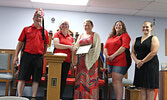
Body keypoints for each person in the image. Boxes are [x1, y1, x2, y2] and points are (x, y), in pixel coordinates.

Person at [13, 8, 49, 100]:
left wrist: (43, 56)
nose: (38, 18)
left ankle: (33, 97)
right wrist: (16, 56)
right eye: (36, 16)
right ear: (33, 18)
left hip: (39, 58)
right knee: (22, 77)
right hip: (27, 56)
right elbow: (20, 43)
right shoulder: (26, 29)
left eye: (40, 17)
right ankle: (19, 97)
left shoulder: (45, 31)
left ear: (42, 19)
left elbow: (45, 45)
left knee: (36, 79)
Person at [131, 21, 159, 100]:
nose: (145, 28)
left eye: (147, 27)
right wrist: (137, 61)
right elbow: (132, 52)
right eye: (143, 27)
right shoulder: (137, 39)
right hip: (139, 65)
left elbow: (153, 52)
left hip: (151, 65)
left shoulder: (154, 38)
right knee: (142, 86)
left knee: (150, 87)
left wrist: (142, 61)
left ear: (151, 28)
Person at [74, 19, 101, 99]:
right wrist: (74, 48)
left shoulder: (95, 35)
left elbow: (97, 49)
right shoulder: (81, 35)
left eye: (88, 25)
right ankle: (80, 98)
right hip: (81, 62)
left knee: (90, 81)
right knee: (81, 80)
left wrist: (89, 53)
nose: (86, 27)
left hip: (90, 62)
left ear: (92, 26)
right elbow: (76, 45)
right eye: (85, 25)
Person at [104, 20, 131, 100]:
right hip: (110, 61)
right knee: (114, 81)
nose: (118, 26)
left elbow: (123, 47)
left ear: (123, 27)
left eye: (120, 25)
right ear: (114, 26)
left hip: (120, 61)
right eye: (116, 25)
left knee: (117, 81)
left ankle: (119, 99)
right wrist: (107, 55)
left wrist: (113, 55)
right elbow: (105, 47)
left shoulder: (125, 35)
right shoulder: (111, 36)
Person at [52, 19, 74, 99]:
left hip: (67, 61)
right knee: (55, 79)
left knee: (63, 80)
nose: (64, 25)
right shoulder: (57, 34)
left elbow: (72, 50)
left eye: (66, 24)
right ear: (59, 26)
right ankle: (53, 96)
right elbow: (57, 45)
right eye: (63, 24)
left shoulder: (71, 37)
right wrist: (68, 47)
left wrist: (72, 62)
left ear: (68, 27)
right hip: (57, 61)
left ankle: (59, 97)